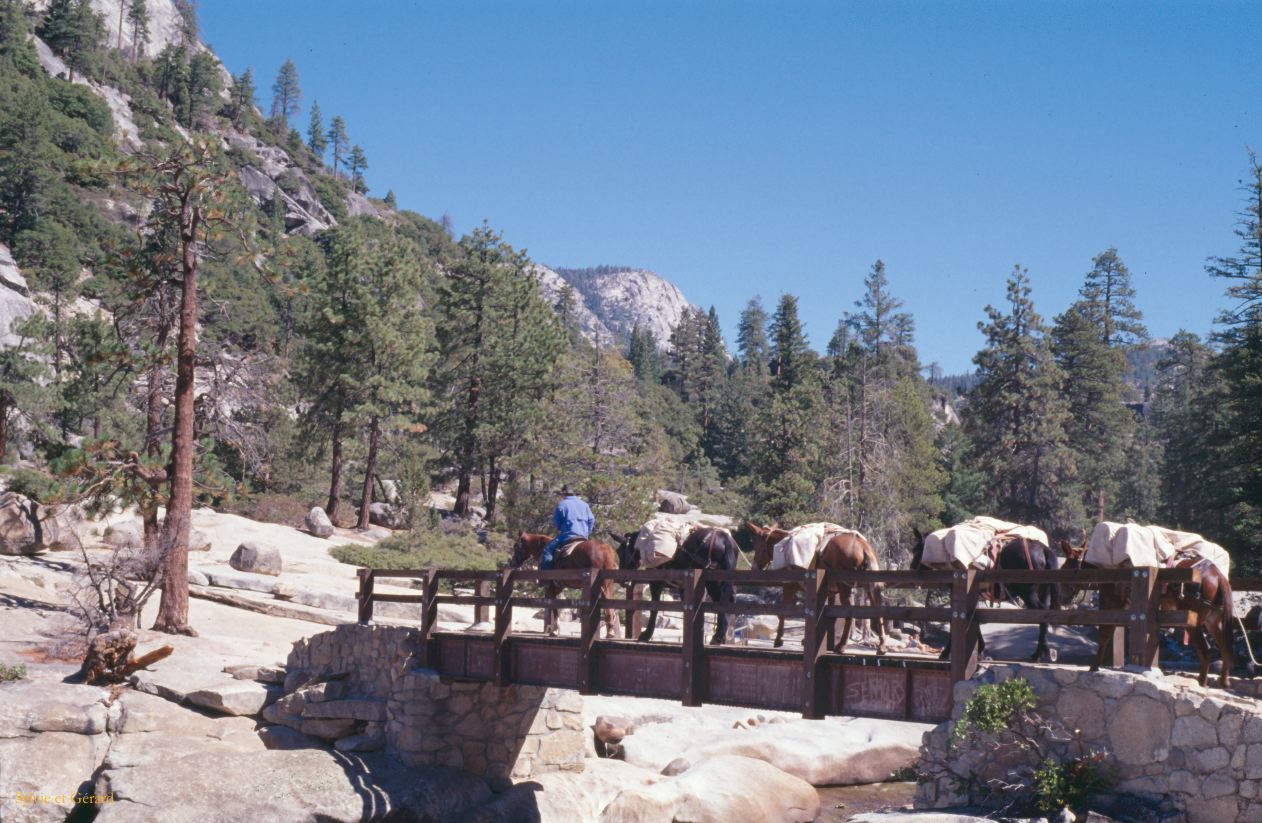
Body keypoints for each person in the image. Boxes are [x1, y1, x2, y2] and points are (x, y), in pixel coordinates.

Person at [541, 485, 595, 570]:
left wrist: (561, 528)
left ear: (563, 494)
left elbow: (557, 523)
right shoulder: (584, 505)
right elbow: (591, 520)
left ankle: (546, 577)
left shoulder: (562, 505)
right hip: (583, 537)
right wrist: (587, 532)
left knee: (547, 550)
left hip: (567, 536)